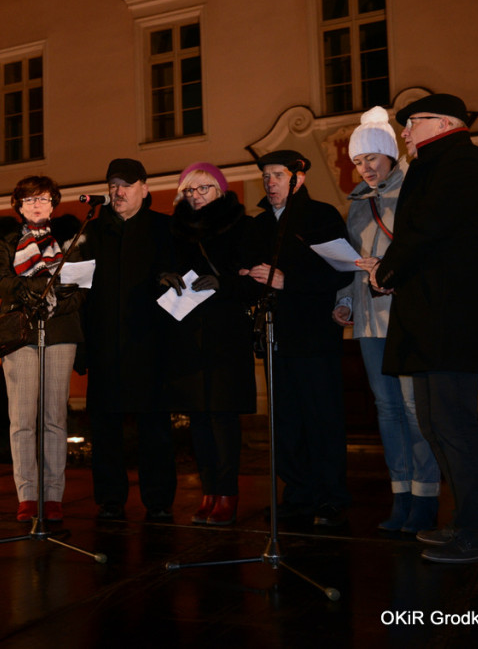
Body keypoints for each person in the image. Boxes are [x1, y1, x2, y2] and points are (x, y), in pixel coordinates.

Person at [366, 93, 478, 563]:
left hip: (453, 320)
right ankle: (465, 522)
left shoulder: (462, 162)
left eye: (411, 123)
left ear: (444, 122)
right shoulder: (437, 163)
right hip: (431, 319)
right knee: (433, 424)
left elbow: (427, 229)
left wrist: (388, 270)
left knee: (454, 426)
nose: (403, 132)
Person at [332, 107, 441, 533]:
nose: (366, 168)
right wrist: (344, 302)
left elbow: (422, 248)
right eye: (359, 162)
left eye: (371, 159)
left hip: (405, 316)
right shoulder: (357, 204)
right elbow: (349, 263)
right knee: (388, 410)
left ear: (390, 155)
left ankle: (426, 497)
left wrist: (391, 265)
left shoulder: (413, 190)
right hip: (368, 321)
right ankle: (400, 495)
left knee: (415, 409)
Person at [240, 150, 351, 527]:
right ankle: (298, 493)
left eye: (277, 175)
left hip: (315, 335)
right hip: (276, 336)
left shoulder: (321, 217)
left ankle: (330, 496)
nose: (269, 182)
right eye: (265, 176)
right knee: (286, 421)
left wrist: (290, 281)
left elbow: (342, 274)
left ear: (297, 178)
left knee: (322, 417)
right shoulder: (257, 225)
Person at [79, 158, 178, 522]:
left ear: (144, 188)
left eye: (126, 184)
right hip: (105, 344)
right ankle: (109, 499)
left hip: (150, 345)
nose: (118, 192)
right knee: (105, 429)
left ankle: (158, 500)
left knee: (155, 429)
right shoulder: (92, 231)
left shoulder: (164, 229)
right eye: (113, 185)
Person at [162, 163, 256, 526]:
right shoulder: (175, 230)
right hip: (187, 335)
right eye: (189, 190)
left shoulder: (241, 225)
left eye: (203, 189)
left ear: (220, 190)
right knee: (197, 418)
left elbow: (253, 282)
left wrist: (223, 283)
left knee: (222, 416)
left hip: (225, 335)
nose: (196, 196)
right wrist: (164, 278)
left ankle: (228, 492)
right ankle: (208, 491)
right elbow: (162, 268)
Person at [0, 176, 84, 522]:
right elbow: (2, 281)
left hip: (60, 330)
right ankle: (28, 495)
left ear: (54, 203)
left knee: (55, 418)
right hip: (19, 332)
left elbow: (81, 284)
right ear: (19, 206)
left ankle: (53, 495)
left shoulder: (71, 237)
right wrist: (35, 289)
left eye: (43, 199)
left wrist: (63, 297)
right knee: (23, 419)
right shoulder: (6, 240)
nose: (36, 205)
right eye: (29, 200)